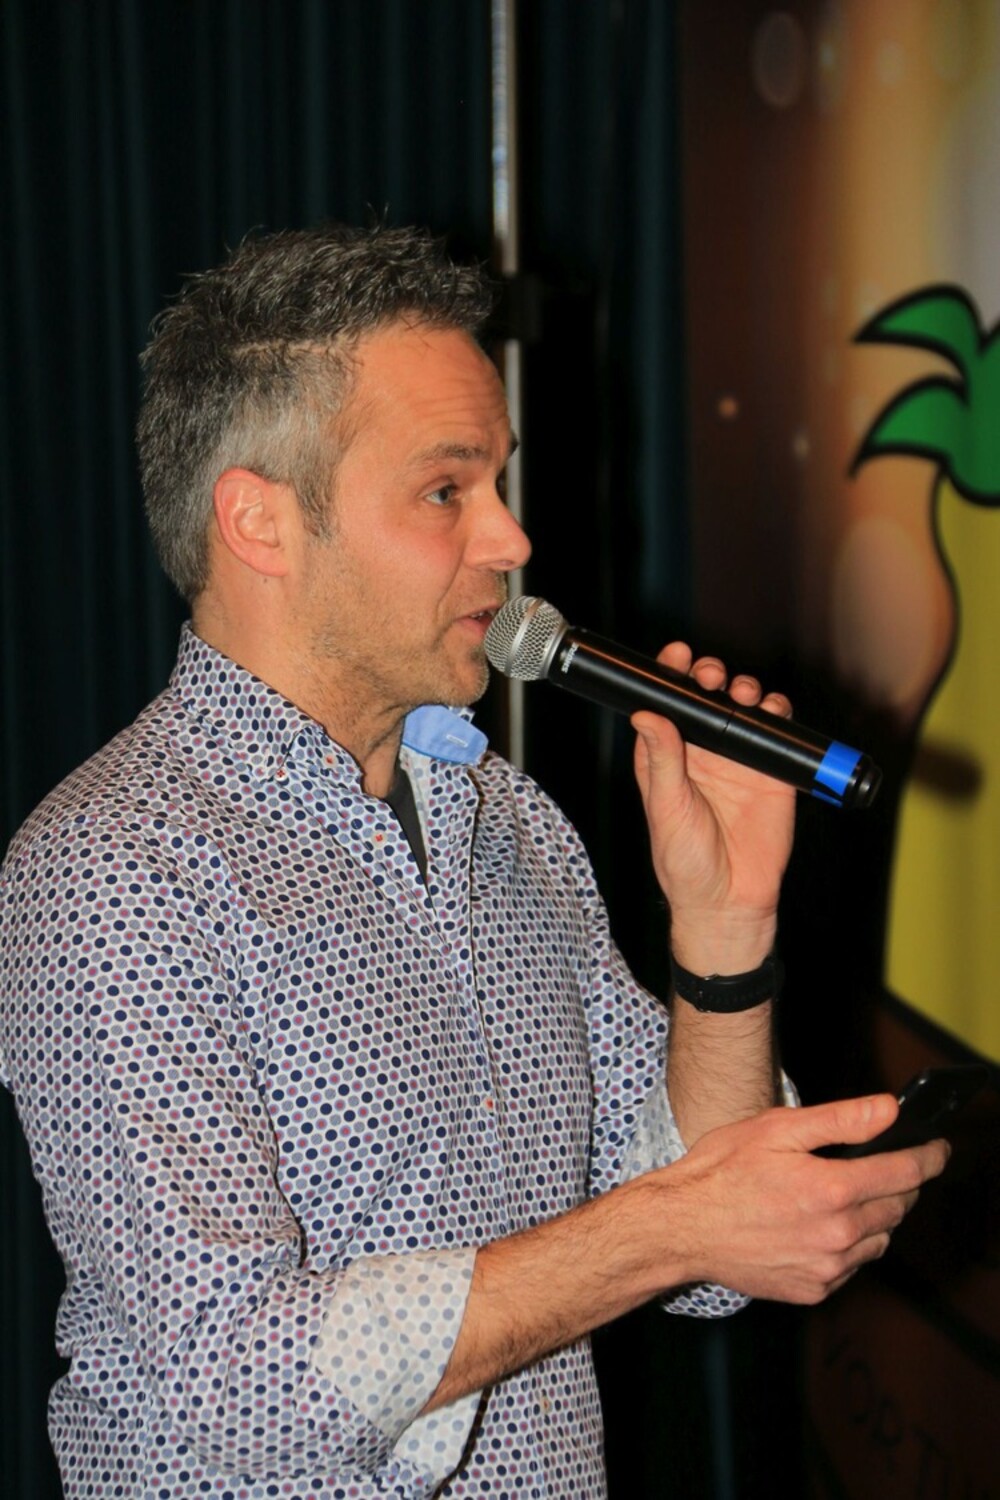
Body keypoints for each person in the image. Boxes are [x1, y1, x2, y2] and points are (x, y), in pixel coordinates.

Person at [0, 226, 946, 1500]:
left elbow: (700, 1249)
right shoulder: (112, 869)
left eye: (498, 482)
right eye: (447, 491)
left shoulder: (511, 823)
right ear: (259, 522)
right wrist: (672, 1227)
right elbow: (235, 1381)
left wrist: (724, 933)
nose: (510, 539)